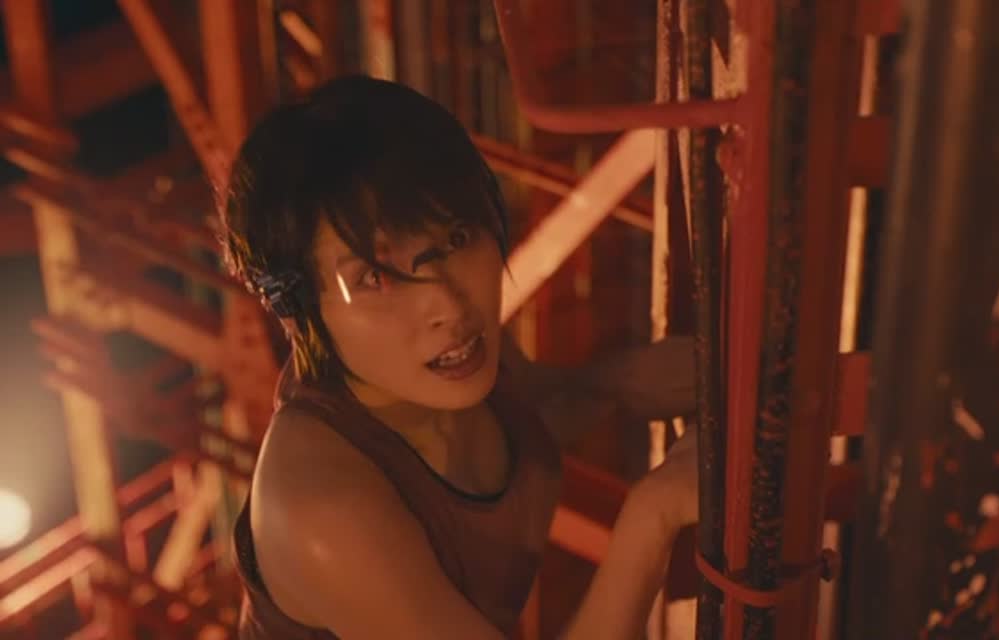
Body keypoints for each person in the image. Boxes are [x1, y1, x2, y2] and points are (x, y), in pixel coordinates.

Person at [220, 75, 699, 639]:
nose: (447, 305)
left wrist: (615, 383)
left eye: (456, 238)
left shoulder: (454, 360)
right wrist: (653, 517)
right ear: (298, 310)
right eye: (374, 277)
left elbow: (531, 422)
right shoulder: (321, 509)